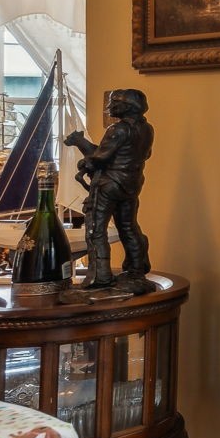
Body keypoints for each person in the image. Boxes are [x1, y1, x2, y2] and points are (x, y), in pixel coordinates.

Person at [65, 88, 154, 288]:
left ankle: (100, 275)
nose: (109, 107)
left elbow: (99, 158)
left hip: (108, 184)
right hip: (131, 183)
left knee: (96, 229)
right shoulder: (147, 129)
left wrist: (85, 163)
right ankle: (137, 270)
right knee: (129, 227)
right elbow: (145, 155)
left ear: (127, 107)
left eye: (114, 103)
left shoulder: (117, 129)